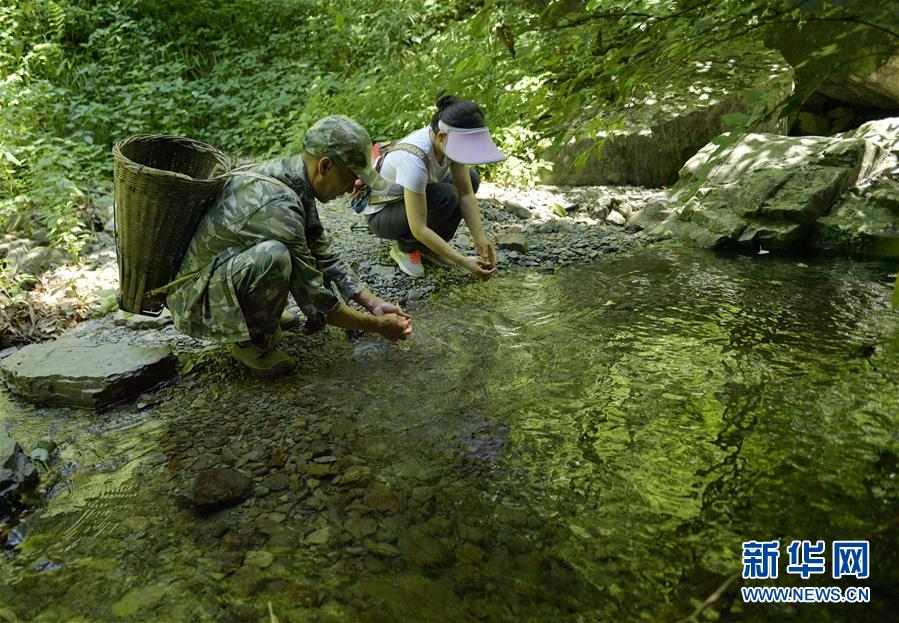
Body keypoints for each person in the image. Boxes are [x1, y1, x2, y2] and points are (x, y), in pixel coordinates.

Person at [167, 115, 412, 377]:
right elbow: (317, 300)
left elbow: (321, 251)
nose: (351, 188)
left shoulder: (291, 175)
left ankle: (260, 317)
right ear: (325, 166)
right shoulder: (278, 207)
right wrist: (377, 326)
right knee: (275, 256)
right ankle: (252, 344)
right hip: (196, 301)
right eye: (350, 177)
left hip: (218, 276)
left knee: (283, 254)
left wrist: (373, 303)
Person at [360, 94, 506, 279]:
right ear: (441, 137)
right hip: (382, 214)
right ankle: (406, 248)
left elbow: (466, 194)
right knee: (446, 195)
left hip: (412, 199)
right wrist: (462, 261)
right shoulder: (414, 159)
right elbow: (418, 228)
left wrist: (479, 237)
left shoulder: (450, 140)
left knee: (471, 177)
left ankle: (428, 248)